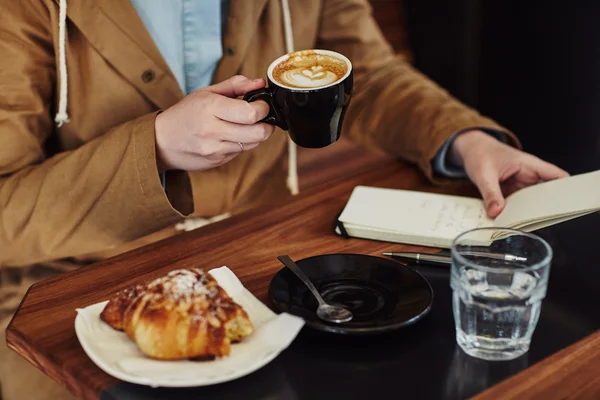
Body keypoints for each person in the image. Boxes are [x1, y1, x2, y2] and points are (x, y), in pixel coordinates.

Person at [0, 0, 568, 398]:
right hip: (75, 293)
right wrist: (155, 148)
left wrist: (467, 141)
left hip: (266, 260)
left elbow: (366, 74)